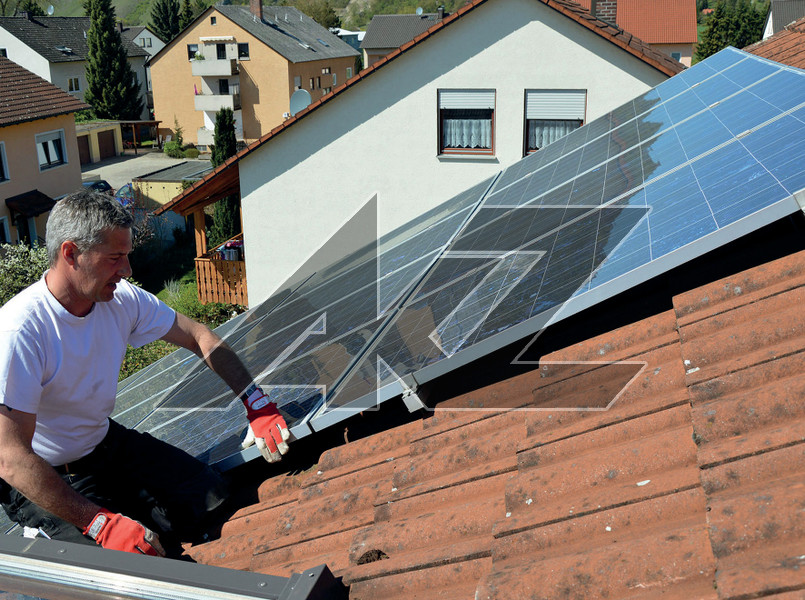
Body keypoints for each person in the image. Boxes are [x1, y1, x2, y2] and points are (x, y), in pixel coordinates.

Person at [0, 190, 290, 557]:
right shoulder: (21, 332)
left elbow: (201, 338)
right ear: (70, 253)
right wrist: (98, 523)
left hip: (105, 444)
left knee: (211, 499)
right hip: (48, 474)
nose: (127, 271)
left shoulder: (121, 300)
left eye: (128, 256)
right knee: (126, 569)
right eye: (115, 258)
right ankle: (45, 529)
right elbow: (11, 458)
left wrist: (257, 403)